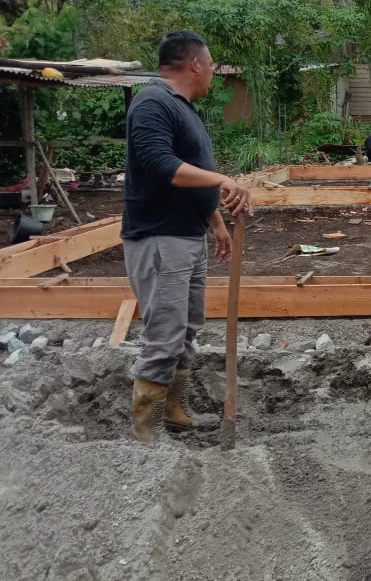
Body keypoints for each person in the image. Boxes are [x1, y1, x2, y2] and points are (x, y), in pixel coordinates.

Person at [122, 30, 253, 445]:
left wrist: (214, 219)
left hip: (187, 236)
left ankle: (173, 411)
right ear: (194, 63)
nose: (213, 71)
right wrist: (223, 179)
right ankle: (147, 434)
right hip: (160, 238)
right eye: (211, 63)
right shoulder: (152, 103)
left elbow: (187, 173)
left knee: (187, 328)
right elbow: (163, 165)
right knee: (165, 331)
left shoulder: (183, 109)